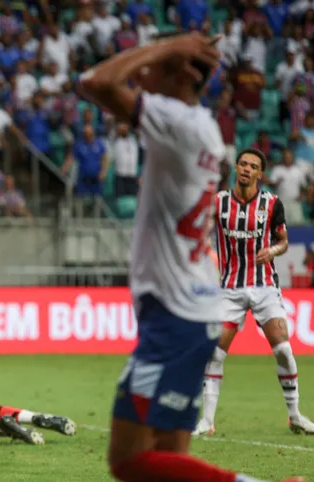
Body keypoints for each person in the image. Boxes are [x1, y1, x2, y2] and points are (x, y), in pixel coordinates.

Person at [79, 32, 304, 482]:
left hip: (173, 319)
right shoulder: (202, 127)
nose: (143, 74)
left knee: (126, 460)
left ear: (181, 72)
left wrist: (165, 48)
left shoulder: (175, 119)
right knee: (170, 457)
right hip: (196, 310)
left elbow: (94, 82)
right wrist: (172, 56)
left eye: (155, 69)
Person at [194, 148, 314, 437]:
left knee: (284, 350)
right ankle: (207, 421)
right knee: (214, 355)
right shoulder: (219, 202)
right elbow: (199, 232)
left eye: (254, 166)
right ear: (236, 167)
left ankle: (295, 415)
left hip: (264, 287)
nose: (247, 169)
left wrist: (272, 250)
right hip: (230, 289)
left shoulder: (272, 203)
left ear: (261, 173)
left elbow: (283, 241)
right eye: (243, 164)